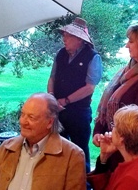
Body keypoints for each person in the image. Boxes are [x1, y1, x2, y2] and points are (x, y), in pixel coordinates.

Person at [92, 23, 138, 171]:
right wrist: (99, 132)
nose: (127, 45)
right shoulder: (126, 71)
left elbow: (137, 124)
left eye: (131, 41)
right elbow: (108, 105)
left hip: (136, 151)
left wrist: (114, 139)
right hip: (118, 146)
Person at [0, 92, 87, 190]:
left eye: (31, 117)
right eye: (22, 114)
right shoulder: (6, 148)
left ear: (50, 122)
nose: (23, 122)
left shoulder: (73, 156)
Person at [47, 17, 103, 172]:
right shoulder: (60, 54)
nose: (64, 38)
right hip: (58, 111)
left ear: (79, 39)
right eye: (64, 35)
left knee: (80, 151)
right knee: (58, 149)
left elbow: (89, 88)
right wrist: (51, 96)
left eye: (68, 35)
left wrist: (65, 100)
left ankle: (83, 184)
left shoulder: (93, 57)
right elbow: (52, 77)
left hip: (79, 113)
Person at [87, 105, 138, 190]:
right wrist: (104, 156)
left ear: (122, 138)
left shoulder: (132, 179)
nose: (111, 129)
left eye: (114, 125)